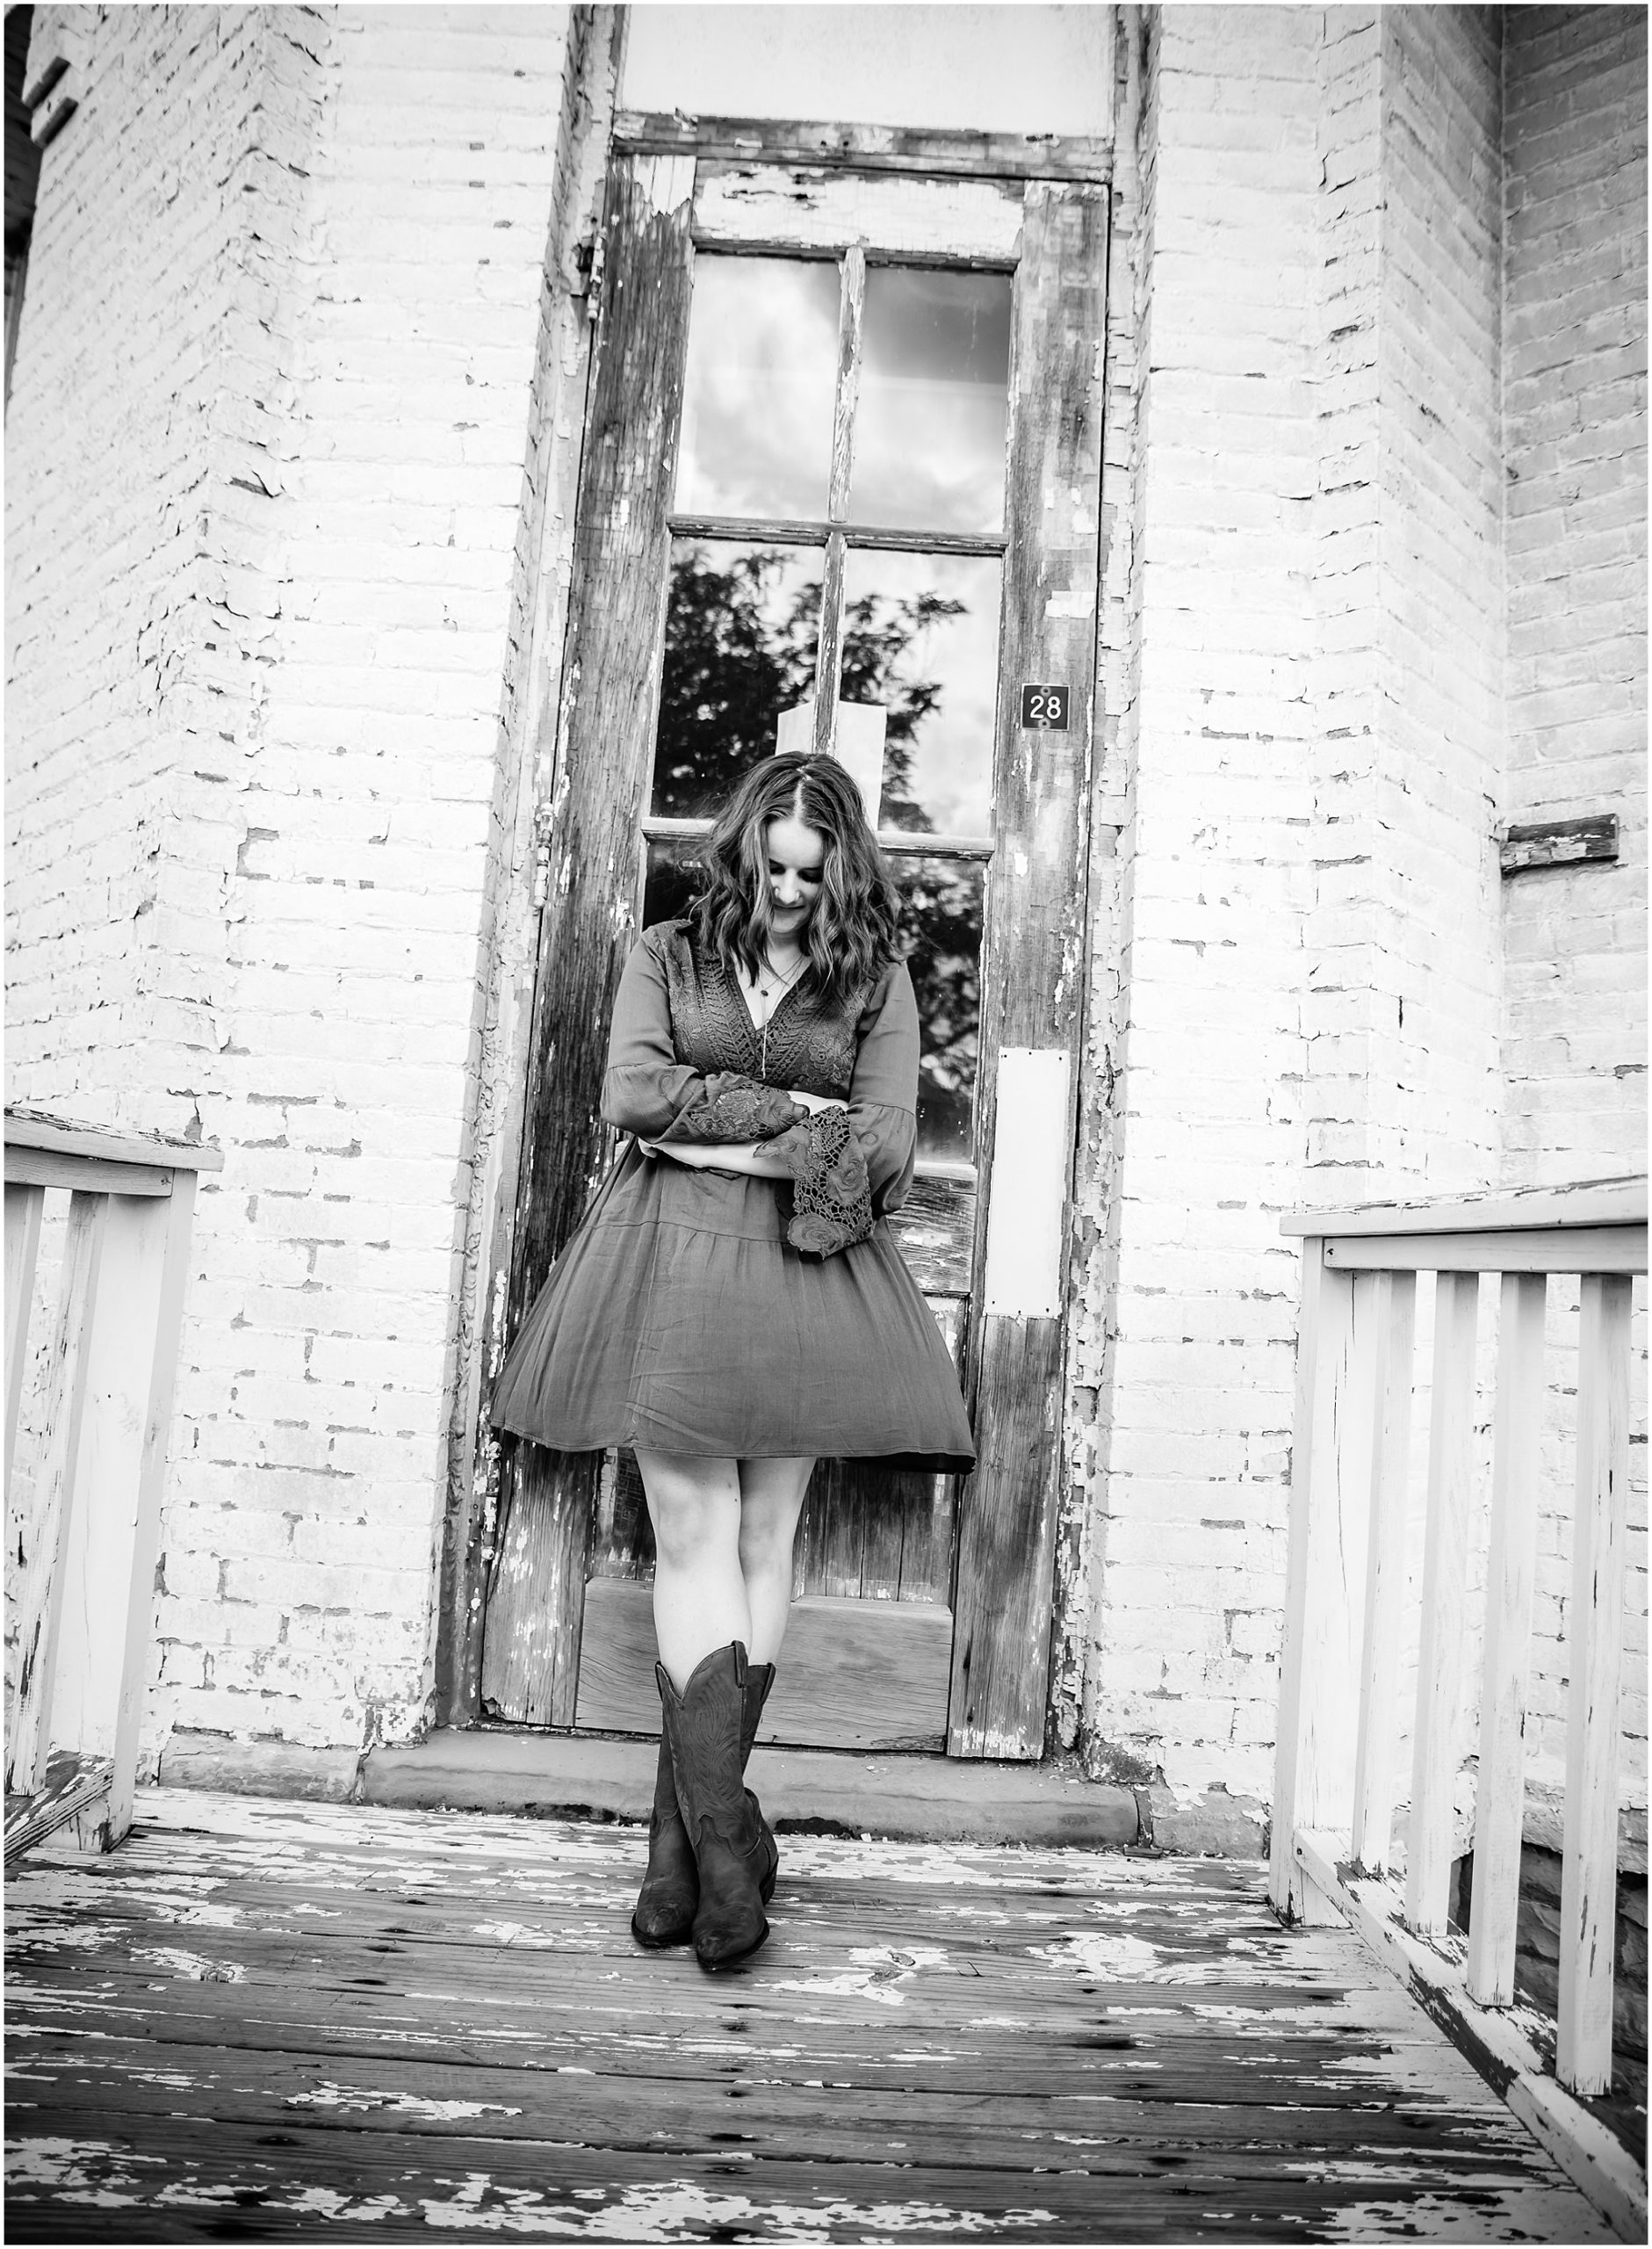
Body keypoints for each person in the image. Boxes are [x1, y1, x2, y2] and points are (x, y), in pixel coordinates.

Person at [490, 751, 975, 1970]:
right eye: (774, 868)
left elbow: (883, 1150)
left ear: (843, 869)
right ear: (743, 850)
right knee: (695, 1538)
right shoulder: (667, 954)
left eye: (815, 876)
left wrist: (724, 1140)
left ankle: (680, 1848)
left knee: (766, 1543)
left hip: (814, 1267)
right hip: (670, 1266)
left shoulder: (876, 977)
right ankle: (724, 1844)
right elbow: (632, 1096)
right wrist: (788, 1124)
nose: (792, 893)